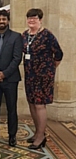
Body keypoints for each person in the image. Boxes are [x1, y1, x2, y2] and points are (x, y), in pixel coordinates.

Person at [22, 8, 63, 149]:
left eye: (34, 18)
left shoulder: (47, 35)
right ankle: (37, 132)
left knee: (40, 105)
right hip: (29, 75)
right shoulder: (25, 35)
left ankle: (41, 137)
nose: (31, 20)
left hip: (43, 76)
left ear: (40, 20)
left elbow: (58, 54)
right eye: (29, 18)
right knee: (32, 104)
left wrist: (49, 69)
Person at [0, 10, 23, 147]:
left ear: (8, 21)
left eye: (4, 19)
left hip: (10, 80)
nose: (1, 21)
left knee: (11, 108)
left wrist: (4, 74)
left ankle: (12, 136)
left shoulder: (16, 37)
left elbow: (17, 58)